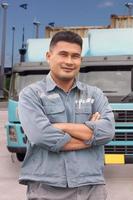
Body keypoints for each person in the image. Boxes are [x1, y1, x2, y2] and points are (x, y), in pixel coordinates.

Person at [18, 31, 115, 200]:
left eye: (75, 56)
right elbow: (41, 136)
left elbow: (107, 132)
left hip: (92, 187)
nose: (69, 61)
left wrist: (60, 127)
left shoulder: (95, 94)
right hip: (47, 187)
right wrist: (91, 137)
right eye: (63, 54)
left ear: (80, 60)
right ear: (49, 56)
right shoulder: (31, 95)